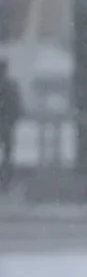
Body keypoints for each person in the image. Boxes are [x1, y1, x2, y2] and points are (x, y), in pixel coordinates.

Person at [0, 59, 23, 190]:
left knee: (7, 154)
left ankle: (5, 179)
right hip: (7, 125)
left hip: (6, 124)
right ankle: (5, 180)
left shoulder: (10, 87)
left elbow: (16, 106)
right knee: (7, 154)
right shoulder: (11, 86)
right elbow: (17, 107)